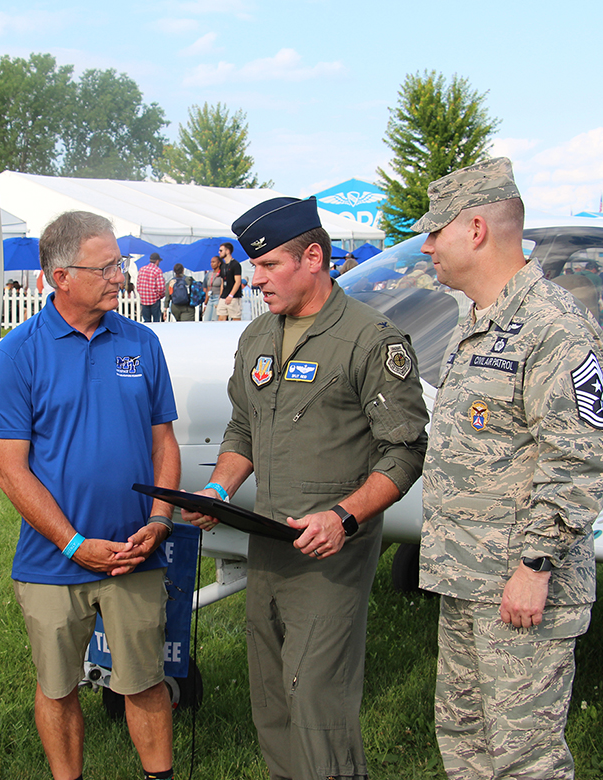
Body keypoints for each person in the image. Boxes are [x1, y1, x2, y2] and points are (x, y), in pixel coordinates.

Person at [184, 197, 429, 780]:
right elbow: (242, 425)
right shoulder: (257, 336)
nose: (255, 279)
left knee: (317, 699)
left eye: (268, 265)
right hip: (269, 538)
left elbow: (405, 450)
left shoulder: (371, 340)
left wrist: (343, 517)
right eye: (252, 264)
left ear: (313, 257)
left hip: (331, 552)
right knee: (271, 698)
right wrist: (218, 491)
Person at [413, 157, 603, 780]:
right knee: (466, 745)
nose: (427, 246)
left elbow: (579, 459)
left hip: (520, 585)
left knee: (526, 760)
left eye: (435, 230)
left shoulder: (555, 327)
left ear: (475, 229)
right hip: (466, 576)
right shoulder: (475, 322)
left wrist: (534, 566)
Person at [0, 211, 180, 780]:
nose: (121, 276)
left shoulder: (142, 342)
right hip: (51, 561)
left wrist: (161, 517)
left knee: (145, 681)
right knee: (57, 685)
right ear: (60, 276)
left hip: (135, 553)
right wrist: (72, 545)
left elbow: (163, 441)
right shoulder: (19, 352)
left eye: (121, 264)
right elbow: (10, 469)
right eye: (108, 266)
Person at [217, 242, 243, 321]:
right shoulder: (223, 265)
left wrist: (231, 295)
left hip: (234, 297)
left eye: (221, 250)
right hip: (224, 296)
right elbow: (222, 282)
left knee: (235, 318)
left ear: (227, 251)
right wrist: (221, 295)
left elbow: (238, 282)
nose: (219, 252)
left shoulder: (235, 264)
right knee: (221, 317)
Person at [138, 251, 166, 323]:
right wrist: (160, 295)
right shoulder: (157, 271)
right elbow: (161, 288)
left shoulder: (142, 269)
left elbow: (138, 285)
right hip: (154, 299)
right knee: (156, 321)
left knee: (147, 321)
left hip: (144, 299)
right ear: (157, 261)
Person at [204, 254, 223, 321]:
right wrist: (205, 303)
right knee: (206, 318)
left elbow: (222, 287)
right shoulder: (209, 274)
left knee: (214, 318)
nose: (212, 264)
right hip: (210, 297)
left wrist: (220, 300)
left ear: (219, 263)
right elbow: (208, 288)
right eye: (211, 262)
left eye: (214, 262)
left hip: (217, 297)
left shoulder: (222, 274)